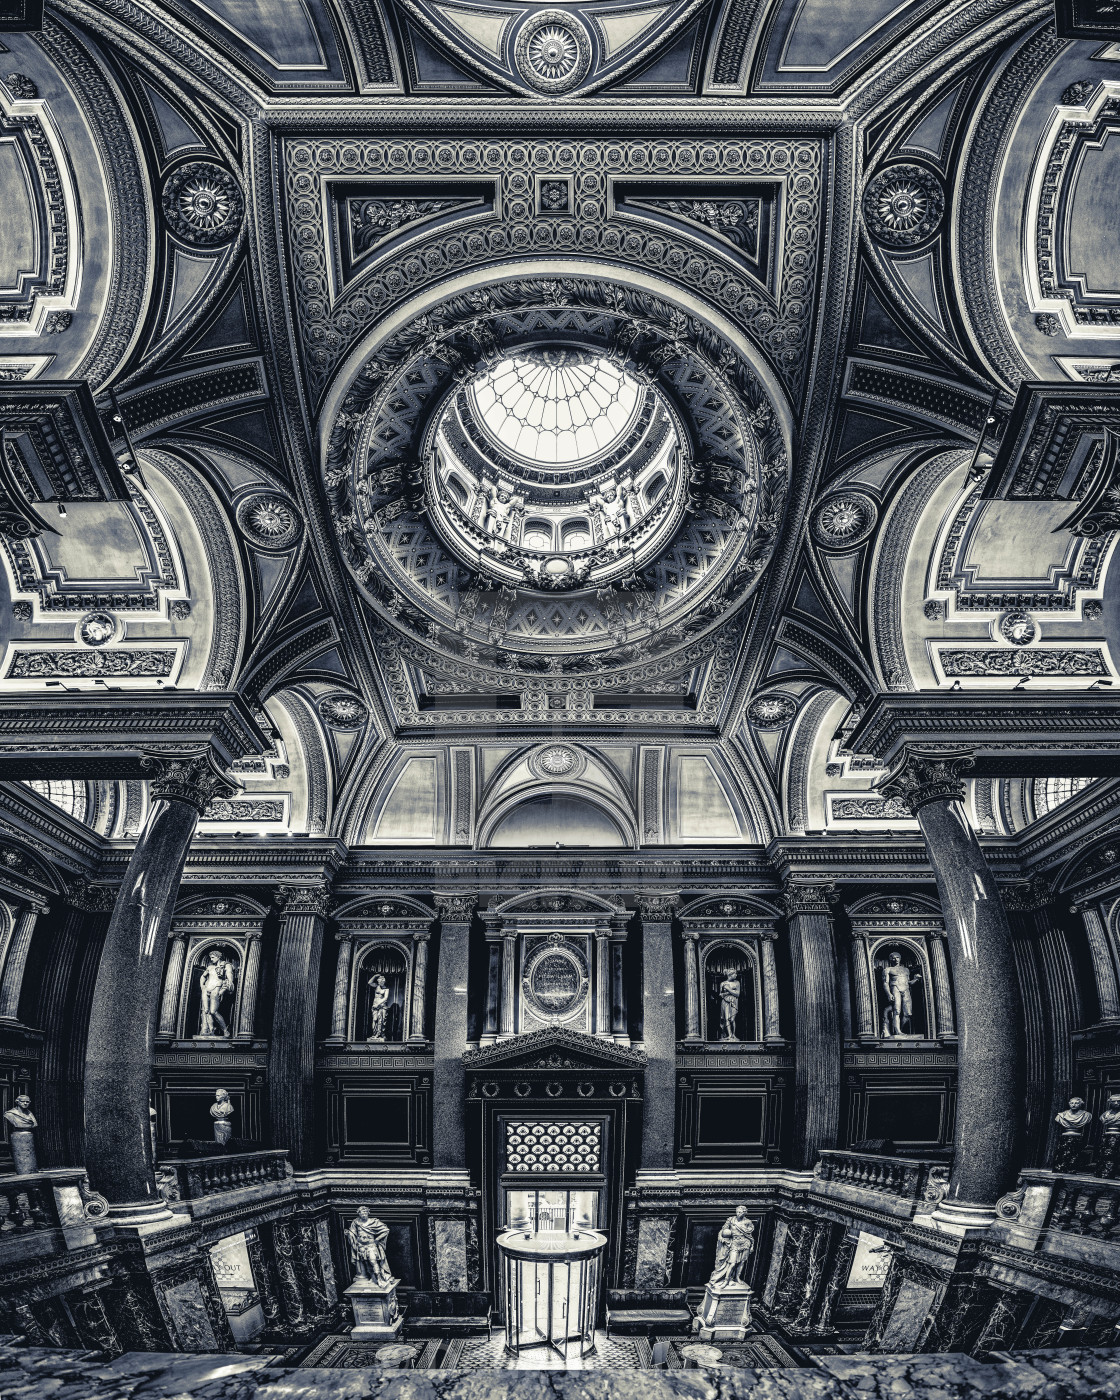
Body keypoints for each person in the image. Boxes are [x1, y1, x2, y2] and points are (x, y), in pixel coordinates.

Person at [707, 1205, 754, 1288]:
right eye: (737, 1212)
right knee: (732, 1263)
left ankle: (737, 1277)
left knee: (742, 1262)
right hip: (734, 1243)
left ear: (745, 1213)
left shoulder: (748, 1222)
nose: (738, 1214)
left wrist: (752, 1246)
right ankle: (726, 1280)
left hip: (745, 1243)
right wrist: (722, 1236)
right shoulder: (731, 1220)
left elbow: (749, 1235)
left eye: (741, 1212)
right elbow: (724, 1229)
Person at [877, 950, 920, 1038]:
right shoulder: (888, 970)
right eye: (893, 958)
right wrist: (889, 994)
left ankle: (899, 1029)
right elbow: (885, 983)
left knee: (908, 1014)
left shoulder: (906, 970)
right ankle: (898, 1031)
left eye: (897, 957)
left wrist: (915, 979)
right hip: (895, 988)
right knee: (896, 1011)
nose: (895, 959)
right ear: (890, 959)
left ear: (900, 958)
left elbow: (909, 983)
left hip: (906, 990)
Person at [347, 1206, 395, 1284]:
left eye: (366, 1212)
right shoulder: (355, 1222)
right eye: (362, 1212)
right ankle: (373, 1278)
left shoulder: (374, 1222)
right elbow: (352, 1232)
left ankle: (379, 1279)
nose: (364, 1214)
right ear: (358, 1213)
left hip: (371, 1246)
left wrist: (377, 1239)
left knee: (373, 1261)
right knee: (366, 1264)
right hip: (361, 1247)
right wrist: (349, 1234)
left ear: (368, 1213)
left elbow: (385, 1230)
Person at [199, 948, 237, 1037]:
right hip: (206, 988)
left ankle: (225, 1030)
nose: (211, 959)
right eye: (210, 958)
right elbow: (203, 977)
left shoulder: (227, 965)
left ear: (218, 957)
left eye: (212, 957)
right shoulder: (210, 967)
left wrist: (223, 990)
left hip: (216, 988)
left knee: (213, 1011)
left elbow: (230, 980)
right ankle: (211, 1030)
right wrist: (202, 986)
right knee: (206, 1011)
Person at [1053, 1097, 1092, 1173]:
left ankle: (1071, 1169)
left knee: (1074, 1154)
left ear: (1081, 1105)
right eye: (1071, 1103)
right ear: (1069, 1104)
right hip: (1066, 1135)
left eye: (1076, 1103)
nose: (1073, 1105)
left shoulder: (1086, 1115)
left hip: (1076, 1137)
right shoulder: (1061, 1115)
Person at [4, 1094, 37, 1174]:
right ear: (17, 1102)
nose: (25, 1103)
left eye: (27, 1102)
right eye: (23, 1101)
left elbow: (34, 1124)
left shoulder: (30, 1114)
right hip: (17, 1135)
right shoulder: (10, 1114)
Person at [368, 974, 391, 1042]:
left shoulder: (386, 989)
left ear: (383, 982)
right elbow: (369, 982)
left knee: (381, 1021)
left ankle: (380, 1034)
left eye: (381, 981)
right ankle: (374, 1034)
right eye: (379, 981)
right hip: (375, 1006)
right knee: (375, 1020)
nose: (380, 982)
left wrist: (378, 1003)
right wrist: (375, 976)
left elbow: (385, 998)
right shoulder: (376, 986)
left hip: (382, 1006)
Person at [719, 972, 740, 1041]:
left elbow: (737, 994)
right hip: (725, 1002)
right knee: (726, 1019)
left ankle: (733, 1035)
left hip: (734, 1002)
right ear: (730, 975)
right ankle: (729, 1035)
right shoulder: (723, 983)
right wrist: (730, 992)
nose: (736, 975)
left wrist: (728, 989)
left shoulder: (737, 983)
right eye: (735, 974)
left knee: (732, 1019)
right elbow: (720, 994)